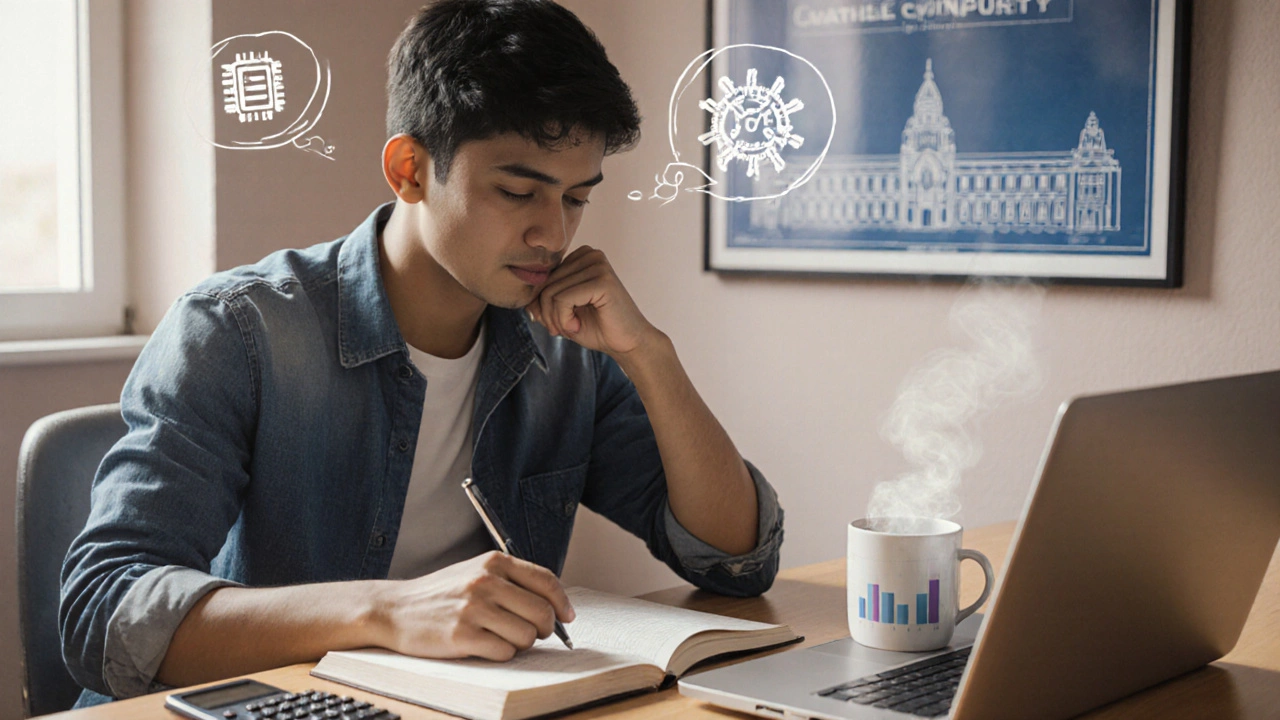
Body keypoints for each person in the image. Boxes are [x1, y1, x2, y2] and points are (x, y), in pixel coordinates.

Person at [60, 0, 784, 706]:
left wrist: (650, 355)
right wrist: (388, 611)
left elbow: (733, 559)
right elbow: (104, 610)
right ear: (409, 169)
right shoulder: (237, 332)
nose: (552, 235)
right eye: (518, 190)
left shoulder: (567, 352)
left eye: (575, 199)